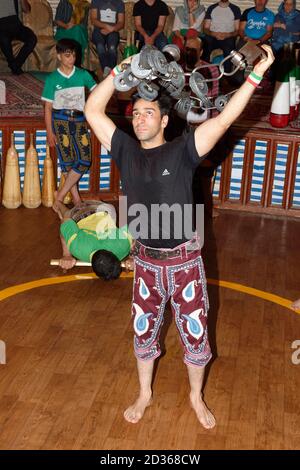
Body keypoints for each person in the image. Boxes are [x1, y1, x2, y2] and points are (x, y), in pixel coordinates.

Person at [85, 45, 274, 428]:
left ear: (165, 120)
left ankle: (194, 395)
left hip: (185, 264)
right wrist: (125, 67)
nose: (139, 119)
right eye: (135, 113)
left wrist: (256, 75)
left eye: (148, 112)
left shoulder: (183, 151)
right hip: (145, 264)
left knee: (196, 337)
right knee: (142, 334)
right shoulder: (124, 149)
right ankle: (144, 393)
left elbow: (223, 121)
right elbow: (92, 110)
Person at [41, 39, 97, 210]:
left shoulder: (83, 75)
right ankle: (77, 200)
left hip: (80, 121)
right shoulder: (52, 78)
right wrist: (49, 132)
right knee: (68, 162)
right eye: (67, 55)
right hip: (60, 121)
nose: (71, 58)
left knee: (84, 160)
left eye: (73, 54)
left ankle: (59, 196)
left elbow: (98, 93)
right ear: (59, 56)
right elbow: (48, 108)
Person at [55, 198, 132, 279]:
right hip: (80, 214)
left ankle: (64, 202)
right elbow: (65, 221)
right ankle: (59, 203)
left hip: (103, 209)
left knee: (68, 218)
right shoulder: (78, 248)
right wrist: (67, 255)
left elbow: (134, 230)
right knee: (66, 216)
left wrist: (133, 256)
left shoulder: (122, 247)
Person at [202, 0, 241, 74]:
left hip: (228, 37)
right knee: (206, 45)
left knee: (229, 50)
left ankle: (226, 74)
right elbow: (205, 28)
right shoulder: (211, 8)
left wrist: (228, 35)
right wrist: (213, 33)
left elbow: (237, 30)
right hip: (213, 36)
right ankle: (205, 72)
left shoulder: (235, 9)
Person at [0, 0, 37, 75]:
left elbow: (27, 10)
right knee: (4, 39)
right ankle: (14, 66)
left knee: (32, 39)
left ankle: (15, 65)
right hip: (1, 27)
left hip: (16, 25)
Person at [90, 0, 125, 77]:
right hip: (99, 30)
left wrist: (111, 29)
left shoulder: (119, 2)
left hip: (113, 30)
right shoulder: (96, 1)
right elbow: (93, 20)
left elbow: (121, 23)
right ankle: (107, 70)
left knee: (112, 47)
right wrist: (106, 26)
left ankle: (112, 74)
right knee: (100, 46)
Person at [55, 0, 90, 66]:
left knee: (77, 29)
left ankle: (76, 63)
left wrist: (74, 24)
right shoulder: (64, 2)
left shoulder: (85, 5)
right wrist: (66, 26)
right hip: (64, 30)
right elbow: (57, 20)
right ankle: (75, 63)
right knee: (77, 30)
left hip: (79, 31)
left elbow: (84, 24)